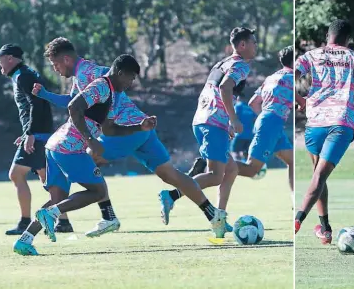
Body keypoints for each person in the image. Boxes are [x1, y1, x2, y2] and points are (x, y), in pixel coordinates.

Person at [37, 37, 227, 238]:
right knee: (171, 174)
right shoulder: (85, 72)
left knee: (89, 158)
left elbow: (82, 101)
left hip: (123, 129)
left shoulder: (87, 73)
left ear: (66, 59)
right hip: (141, 127)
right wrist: (46, 95)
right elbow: (75, 101)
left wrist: (90, 138)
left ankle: (107, 217)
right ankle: (214, 216)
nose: (55, 69)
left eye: (55, 64)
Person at [13, 54, 140, 255]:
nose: (131, 82)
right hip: (69, 148)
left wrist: (140, 126)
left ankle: (25, 240)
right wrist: (89, 140)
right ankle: (51, 214)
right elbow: (74, 106)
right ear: (120, 72)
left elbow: (109, 129)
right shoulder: (101, 86)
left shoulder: (111, 95)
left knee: (59, 198)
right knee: (98, 191)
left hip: (56, 146)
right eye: (131, 77)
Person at [294, 19, 354, 244]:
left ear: (328, 36)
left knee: (319, 174)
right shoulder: (352, 56)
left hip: (315, 123)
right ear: (347, 39)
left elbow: (289, 79)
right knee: (319, 176)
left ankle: (325, 227)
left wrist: (301, 100)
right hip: (341, 122)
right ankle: (297, 221)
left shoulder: (311, 56)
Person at [160, 27, 257, 236]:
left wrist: (226, 123)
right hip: (213, 123)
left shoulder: (221, 63)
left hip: (204, 120)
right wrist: (233, 119)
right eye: (253, 42)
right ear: (242, 45)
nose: (255, 46)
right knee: (214, 176)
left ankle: (220, 217)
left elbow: (212, 92)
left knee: (231, 170)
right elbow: (224, 89)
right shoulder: (240, 65)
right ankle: (171, 195)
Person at [0, 44, 70, 235]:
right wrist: (27, 132)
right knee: (47, 179)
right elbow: (37, 106)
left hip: (38, 135)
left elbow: (37, 104)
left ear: (10, 58)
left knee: (16, 175)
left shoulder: (23, 76)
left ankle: (26, 221)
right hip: (38, 134)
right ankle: (64, 221)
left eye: (0, 58)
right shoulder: (24, 74)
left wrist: (31, 133)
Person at [235, 46, 300, 210]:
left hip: (269, 122)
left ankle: (294, 201)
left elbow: (253, 103)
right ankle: (214, 166)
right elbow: (301, 101)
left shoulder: (271, 78)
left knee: (292, 161)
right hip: (271, 123)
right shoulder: (292, 77)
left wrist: (266, 119)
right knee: (252, 170)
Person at [230, 94, 257, 161]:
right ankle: (247, 168)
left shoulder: (238, 106)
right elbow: (255, 119)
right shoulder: (250, 108)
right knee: (247, 154)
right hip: (250, 135)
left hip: (239, 134)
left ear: (238, 98)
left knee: (235, 152)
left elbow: (232, 117)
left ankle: (237, 168)